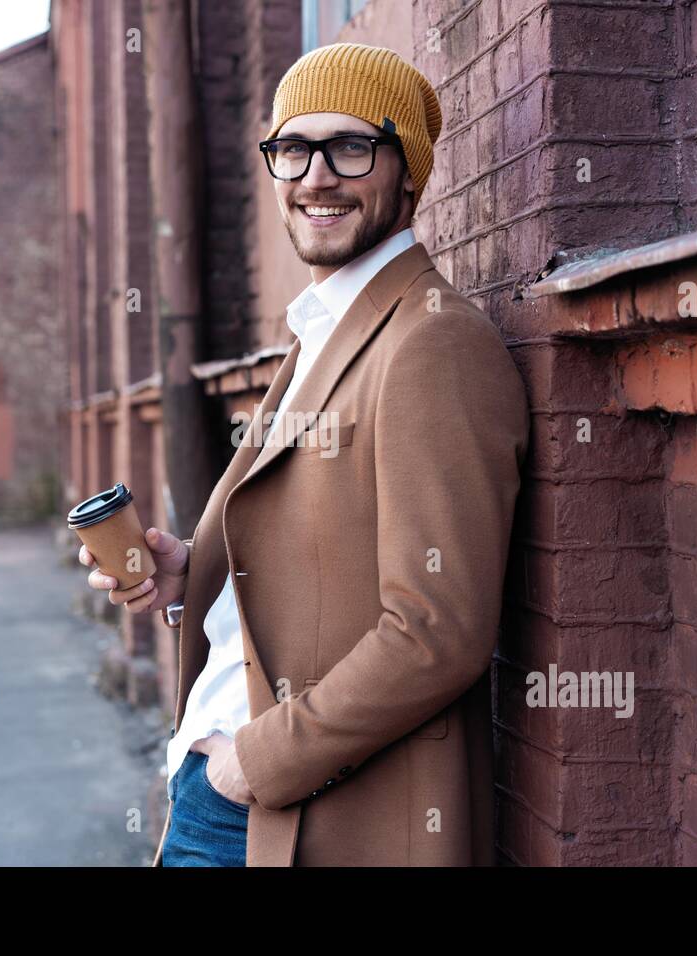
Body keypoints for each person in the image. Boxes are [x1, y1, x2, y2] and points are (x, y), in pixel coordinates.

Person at [80, 42, 529, 866]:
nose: (316, 176)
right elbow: (322, 562)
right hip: (218, 783)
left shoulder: (433, 343)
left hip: (293, 815)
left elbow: (440, 629)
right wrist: (193, 577)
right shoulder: (322, 331)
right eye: (293, 148)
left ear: (407, 174)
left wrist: (254, 767)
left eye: (351, 147)